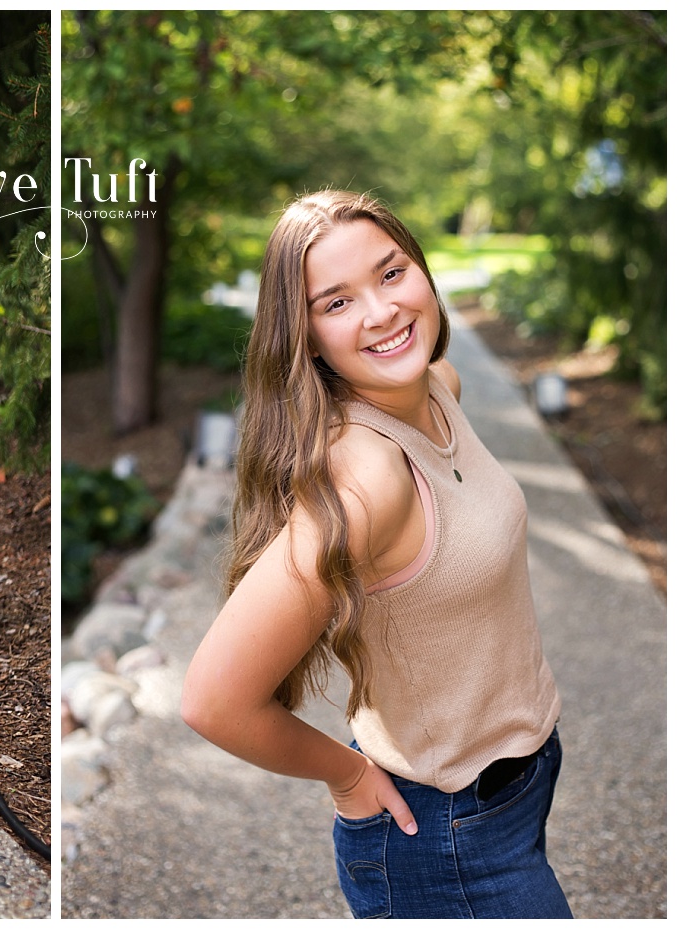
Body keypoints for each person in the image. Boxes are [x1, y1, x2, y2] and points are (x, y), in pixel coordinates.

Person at [181, 191, 568, 918]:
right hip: (446, 834)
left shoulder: (439, 386)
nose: (382, 311)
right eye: (337, 302)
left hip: (521, 782)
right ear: (307, 340)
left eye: (391, 274)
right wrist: (349, 777)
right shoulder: (366, 482)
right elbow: (212, 698)